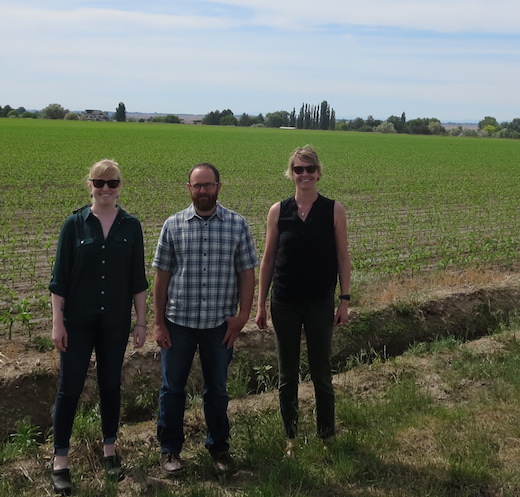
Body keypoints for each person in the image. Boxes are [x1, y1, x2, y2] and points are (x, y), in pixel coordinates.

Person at [48, 159, 148, 495]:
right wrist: (57, 323)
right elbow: (59, 280)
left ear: (121, 186)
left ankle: (109, 450)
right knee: (70, 388)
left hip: (115, 323)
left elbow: (138, 279)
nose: (106, 189)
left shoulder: (131, 227)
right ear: (89, 184)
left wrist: (141, 322)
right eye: (99, 182)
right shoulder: (74, 225)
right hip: (77, 323)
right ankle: (60, 460)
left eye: (112, 183)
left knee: (110, 385)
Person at [152, 163, 258, 475]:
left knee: (217, 390)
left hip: (219, 326)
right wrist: (158, 322)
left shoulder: (237, 225)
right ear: (189, 189)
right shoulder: (173, 225)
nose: (203, 191)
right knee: (172, 390)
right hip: (178, 323)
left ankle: (219, 448)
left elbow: (247, 274)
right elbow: (162, 277)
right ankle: (170, 450)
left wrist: (242, 317)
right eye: (197, 186)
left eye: (208, 185)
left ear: (218, 187)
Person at [255, 145, 351, 457]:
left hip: (320, 302)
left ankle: (326, 436)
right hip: (284, 302)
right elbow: (268, 260)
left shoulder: (333, 210)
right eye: (298, 169)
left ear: (319, 173)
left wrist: (344, 300)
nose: (304, 174)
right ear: (291, 173)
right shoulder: (277, 211)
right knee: (287, 375)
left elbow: (342, 257)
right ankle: (291, 439)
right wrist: (260, 305)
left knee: (322, 373)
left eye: (310, 169)